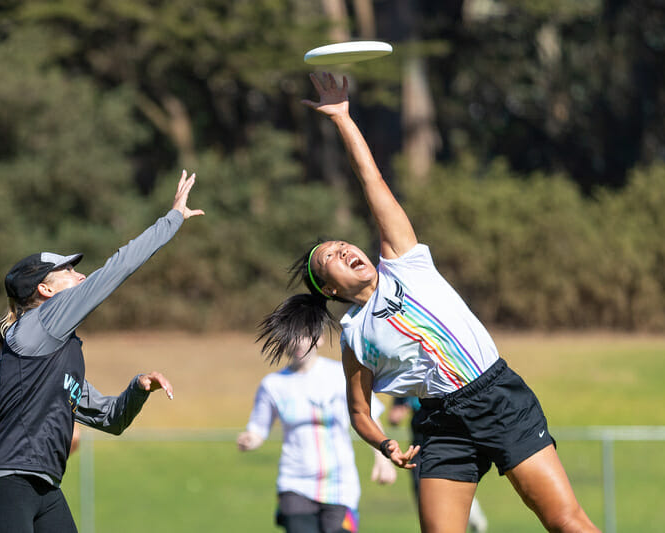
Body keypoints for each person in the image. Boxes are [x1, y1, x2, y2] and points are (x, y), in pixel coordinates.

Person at [259, 72, 599, 533]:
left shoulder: (404, 261)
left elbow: (372, 180)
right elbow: (359, 412)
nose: (343, 251)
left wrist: (342, 118)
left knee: (566, 523)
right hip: (442, 424)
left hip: (498, 396)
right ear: (331, 290)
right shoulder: (356, 336)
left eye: (342, 245)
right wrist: (384, 445)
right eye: (331, 259)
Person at [0, 170, 203, 533]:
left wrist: (138, 389)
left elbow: (111, 419)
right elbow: (116, 268)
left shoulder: (59, 349)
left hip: (46, 489)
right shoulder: (41, 323)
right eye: (68, 271)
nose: (80, 276)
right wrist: (171, 219)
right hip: (7, 485)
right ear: (45, 292)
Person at [238, 305, 397, 533]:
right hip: (295, 484)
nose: (298, 342)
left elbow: (369, 416)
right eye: (292, 336)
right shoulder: (273, 385)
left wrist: (383, 460)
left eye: (304, 335)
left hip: (341, 486)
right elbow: (258, 430)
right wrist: (249, 439)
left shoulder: (340, 375)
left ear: (319, 338)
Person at [0, 336, 81, 454]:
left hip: (39, 464)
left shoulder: (49, 363)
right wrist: (16, 418)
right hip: (5, 458)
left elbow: (73, 437)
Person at [387, 397, 487, 533]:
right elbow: (394, 417)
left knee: (450, 481)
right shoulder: (407, 382)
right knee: (422, 490)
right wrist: (400, 411)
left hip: (446, 439)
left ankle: (469, 512)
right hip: (419, 448)